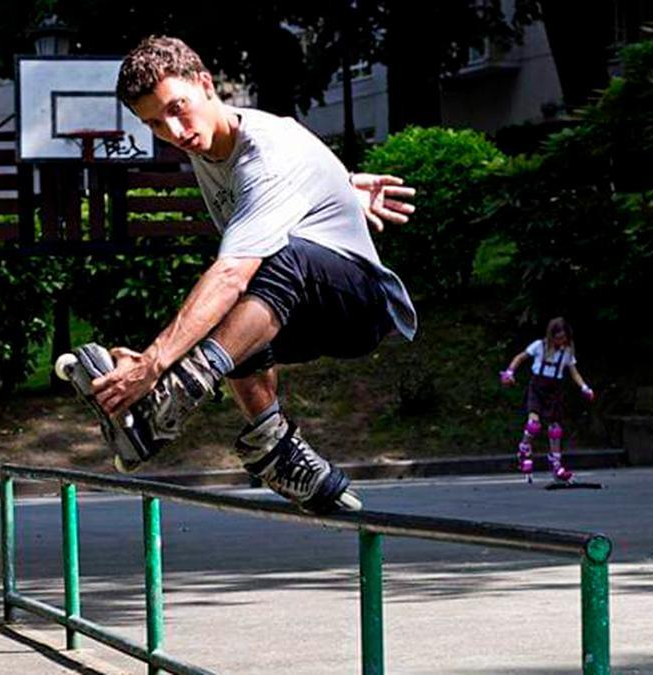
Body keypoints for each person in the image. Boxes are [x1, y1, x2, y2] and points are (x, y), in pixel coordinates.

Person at [64, 36, 417, 514]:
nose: (174, 131)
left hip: (360, 306)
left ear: (207, 84)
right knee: (234, 290)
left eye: (178, 108)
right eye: (154, 124)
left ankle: (171, 401)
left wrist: (153, 365)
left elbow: (234, 268)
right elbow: (289, 187)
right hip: (297, 306)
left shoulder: (266, 153)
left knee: (254, 265)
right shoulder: (207, 144)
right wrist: (342, 184)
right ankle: (275, 448)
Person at [499, 317, 595, 483]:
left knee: (555, 428)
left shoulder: (566, 352)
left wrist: (585, 387)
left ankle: (556, 464)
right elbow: (520, 357)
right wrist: (510, 372)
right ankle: (524, 449)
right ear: (551, 336)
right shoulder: (539, 346)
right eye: (558, 337)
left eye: (564, 338)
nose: (561, 341)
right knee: (534, 424)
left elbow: (574, 372)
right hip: (537, 387)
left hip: (554, 390)